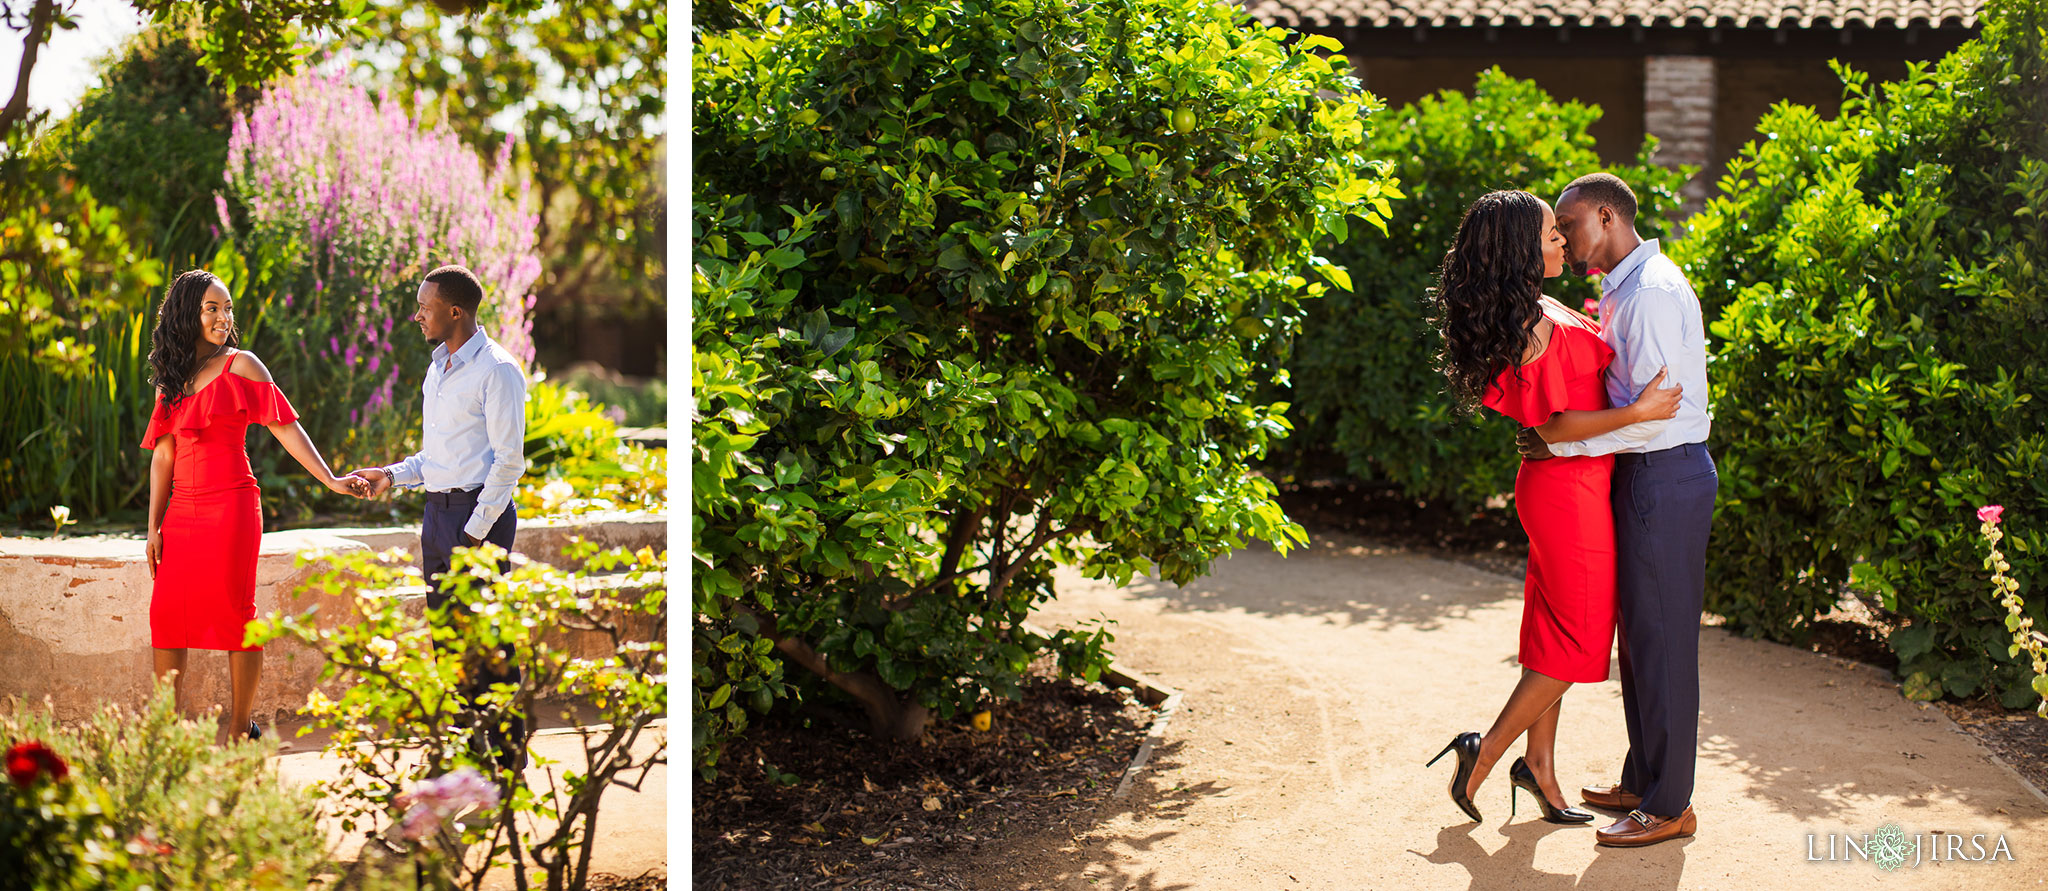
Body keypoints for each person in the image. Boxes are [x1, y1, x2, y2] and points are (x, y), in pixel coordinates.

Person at [1421, 190, 1682, 827]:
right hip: (1569, 490)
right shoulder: (1534, 321)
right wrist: (1639, 412)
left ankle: (1540, 768)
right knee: (1580, 641)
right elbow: (1559, 424)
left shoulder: (1535, 307)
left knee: (1552, 635)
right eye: (1549, 234)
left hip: (1567, 485)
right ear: (1519, 249)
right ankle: (1482, 755)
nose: (1563, 241)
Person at [1518, 172, 1716, 848]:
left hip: (1664, 469)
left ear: (1606, 216)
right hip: (1642, 473)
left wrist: (1561, 441)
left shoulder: (1653, 292)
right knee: (1640, 639)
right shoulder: (1625, 287)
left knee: (1662, 641)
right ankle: (1644, 780)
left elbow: (1655, 416)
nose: (1565, 241)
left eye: (1569, 226)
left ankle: (1669, 804)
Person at [142, 269, 367, 746]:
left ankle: (240, 729)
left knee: (233, 613)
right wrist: (153, 527)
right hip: (181, 512)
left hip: (232, 507)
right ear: (187, 313)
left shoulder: (242, 365)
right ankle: (166, 733)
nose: (224, 318)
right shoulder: (173, 380)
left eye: (226, 309)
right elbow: (164, 455)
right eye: (212, 308)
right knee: (166, 613)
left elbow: (284, 426)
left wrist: (330, 479)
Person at [349, 264, 529, 771]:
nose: (416, 316)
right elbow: (439, 458)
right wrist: (391, 474)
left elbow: (508, 462)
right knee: (448, 639)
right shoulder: (439, 367)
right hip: (437, 515)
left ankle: (508, 756)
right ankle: (468, 750)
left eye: (424, 308)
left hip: (479, 519)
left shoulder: (497, 370)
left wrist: (474, 531)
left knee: (486, 640)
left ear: (455, 311)